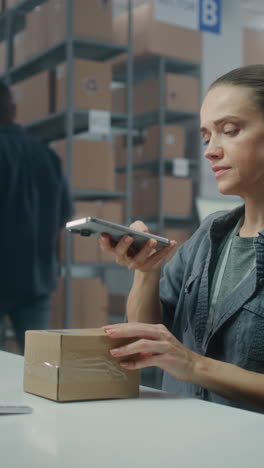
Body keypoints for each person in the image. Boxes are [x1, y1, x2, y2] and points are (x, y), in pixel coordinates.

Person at [99, 64, 264, 413]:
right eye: (206, 137)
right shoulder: (210, 234)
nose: (210, 151)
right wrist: (147, 270)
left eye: (230, 131)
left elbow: (185, 362)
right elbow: (144, 336)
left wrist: (194, 365)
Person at [0, 81, 73, 353]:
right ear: (14, 109)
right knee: (39, 364)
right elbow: (62, 219)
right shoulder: (47, 156)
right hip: (38, 279)